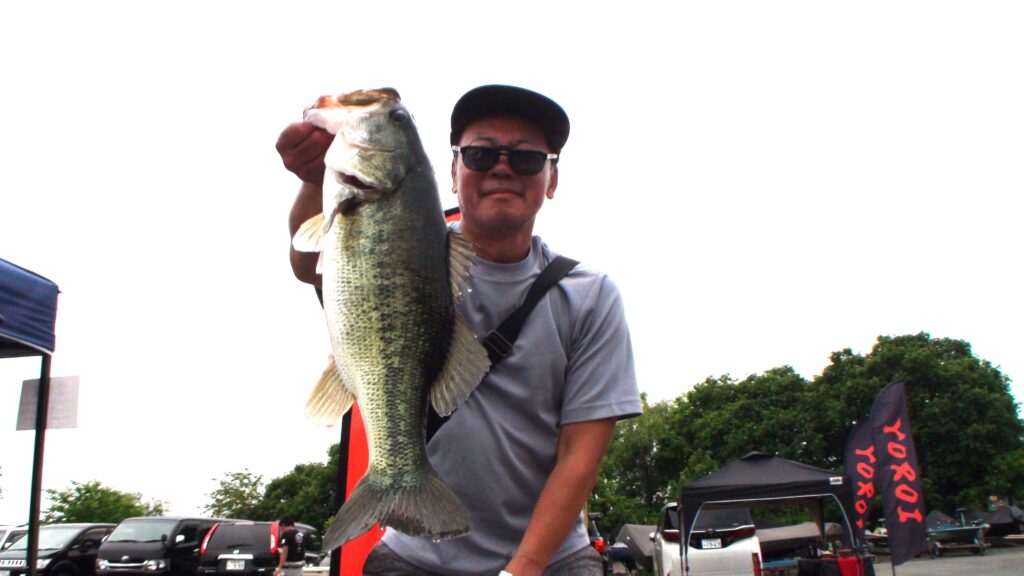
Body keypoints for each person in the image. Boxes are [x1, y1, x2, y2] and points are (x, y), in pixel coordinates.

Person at [276, 85, 642, 576]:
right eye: (480, 154)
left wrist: (523, 568)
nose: (502, 167)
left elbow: (581, 456)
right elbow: (308, 263)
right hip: (412, 558)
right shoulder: (402, 246)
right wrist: (311, 181)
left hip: (551, 560)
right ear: (453, 172)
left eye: (527, 158)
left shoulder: (590, 296)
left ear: (552, 179)